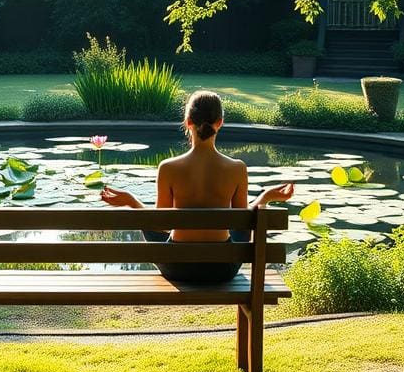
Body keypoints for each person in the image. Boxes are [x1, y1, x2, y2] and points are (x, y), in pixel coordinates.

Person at [100, 89, 293, 283]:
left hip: (177, 267)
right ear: (220, 123)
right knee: (243, 221)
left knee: (154, 225)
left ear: (187, 122)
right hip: (222, 268)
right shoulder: (237, 168)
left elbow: (161, 226)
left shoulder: (168, 168)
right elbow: (241, 223)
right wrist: (265, 198)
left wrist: (132, 202)